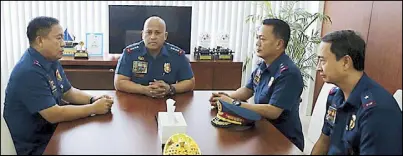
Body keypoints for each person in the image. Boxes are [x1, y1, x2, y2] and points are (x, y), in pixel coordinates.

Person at [3, 16, 114, 155]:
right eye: (59, 38)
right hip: (33, 145)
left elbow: (68, 92)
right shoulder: (29, 71)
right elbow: (54, 114)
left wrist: (93, 99)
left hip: (51, 133)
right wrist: (93, 108)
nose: (63, 43)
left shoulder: (51, 60)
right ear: (40, 40)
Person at [209, 18, 305, 151]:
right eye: (257, 38)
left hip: (283, 141)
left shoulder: (288, 73)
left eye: (263, 39)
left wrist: (233, 103)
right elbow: (248, 90)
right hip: (261, 129)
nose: (257, 43)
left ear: (279, 43)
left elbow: (273, 111)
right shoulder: (263, 65)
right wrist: (224, 98)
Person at [311, 30, 402, 155]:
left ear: (345, 62)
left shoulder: (376, 111)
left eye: (323, 61)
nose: (318, 67)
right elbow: (324, 141)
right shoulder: (335, 96)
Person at [114, 16, 195, 98]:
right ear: (142, 35)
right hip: (136, 99)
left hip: (167, 100)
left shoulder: (177, 54)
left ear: (165, 36)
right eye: (149, 32)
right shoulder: (130, 53)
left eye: (157, 33)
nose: (152, 37)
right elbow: (119, 82)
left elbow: (190, 82)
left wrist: (170, 88)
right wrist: (144, 90)